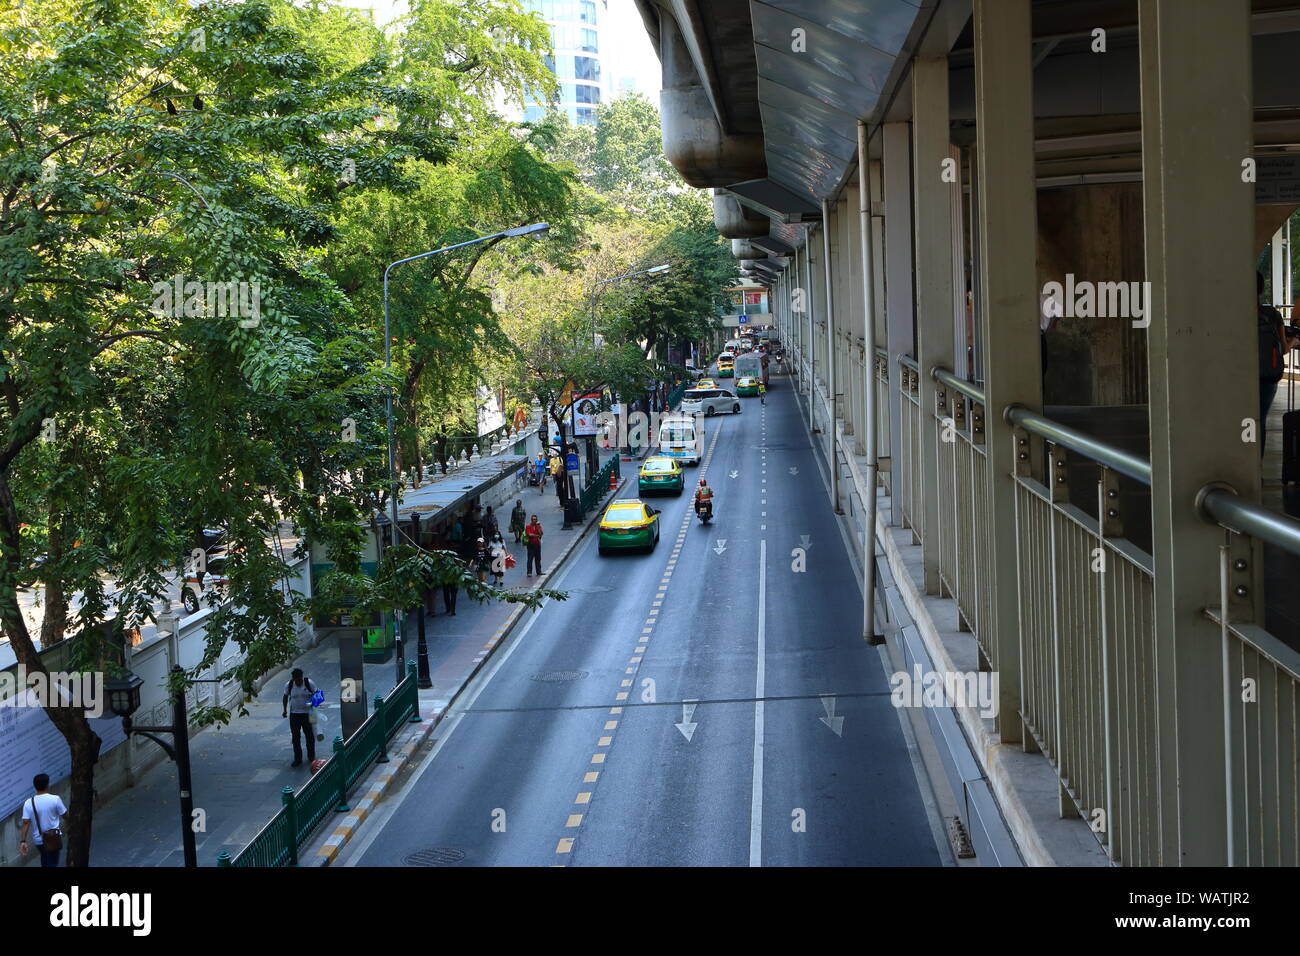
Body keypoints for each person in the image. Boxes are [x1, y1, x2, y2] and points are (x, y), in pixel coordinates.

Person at [1258, 270, 1299, 456]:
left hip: (1239, 374)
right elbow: (1283, 349)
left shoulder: (1233, 312)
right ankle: (1255, 464)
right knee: (1260, 420)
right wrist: (1294, 341)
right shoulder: (1272, 314)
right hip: (1267, 375)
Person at [19, 773, 66, 867]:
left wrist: (23, 841)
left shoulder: (29, 803)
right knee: (52, 863)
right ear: (47, 785)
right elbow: (65, 815)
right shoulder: (55, 799)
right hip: (53, 837)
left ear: (35, 786)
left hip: (39, 840)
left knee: (44, 859)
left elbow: (25, 823)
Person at [281, 668, 317, 767]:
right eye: (296, 680)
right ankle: (298, 758)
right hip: (295, 715)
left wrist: (314, 705)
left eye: (299, 680)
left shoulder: (309, 683)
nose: (298, 682)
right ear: (293, 679)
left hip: (307, 714)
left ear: (302, 677)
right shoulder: (289, 685)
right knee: (295, 737)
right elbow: (285, 697)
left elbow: (318, 694)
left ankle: (311, 756)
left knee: (309, 736)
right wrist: (284, 710)